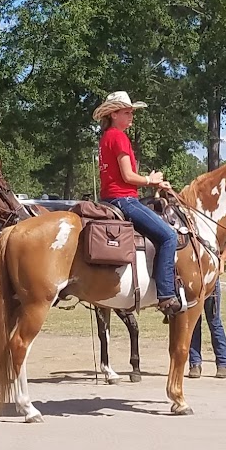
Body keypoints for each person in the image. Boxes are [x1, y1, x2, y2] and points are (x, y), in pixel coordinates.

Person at [94, 91, 180, 317]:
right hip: (123, 200)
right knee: (169, 236)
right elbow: (127, 176)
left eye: (132, 112)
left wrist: (149, 182)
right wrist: (150, 180)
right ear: (113, 114)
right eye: (127, 112)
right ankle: (166, 294)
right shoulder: (119, 137)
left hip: (108, 199)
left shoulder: (105, 138)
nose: (131, 116)